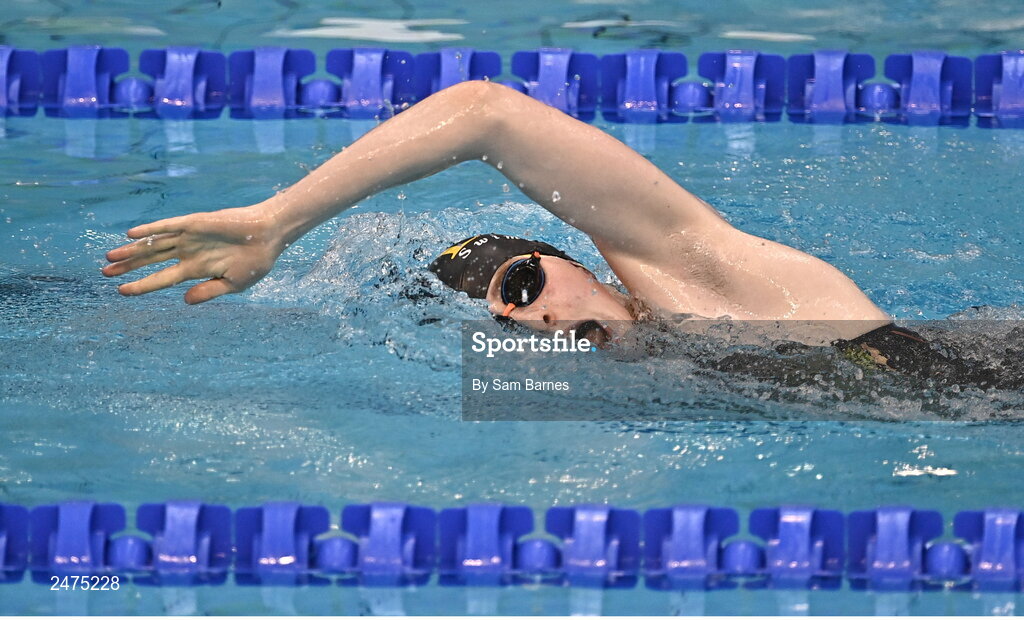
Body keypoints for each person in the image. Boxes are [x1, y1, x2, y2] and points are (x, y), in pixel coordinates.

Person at [104, 80, 933, 371]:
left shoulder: (712, 281)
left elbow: (485, 116)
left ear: (583, 264)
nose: (524, 318)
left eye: (522, 284)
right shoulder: (632, 391)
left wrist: (277, 222)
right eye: (499, 323)